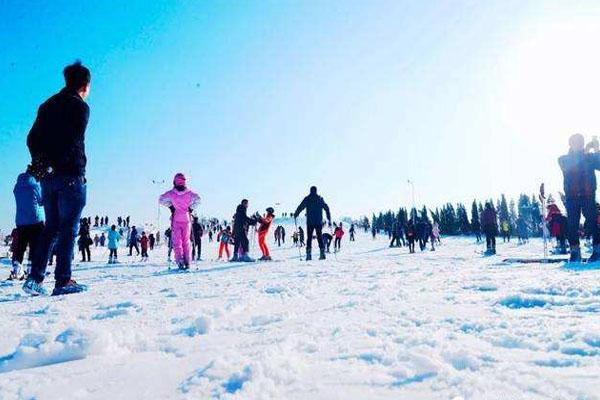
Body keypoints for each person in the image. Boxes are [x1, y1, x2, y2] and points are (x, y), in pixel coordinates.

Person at [23, 61, 91, 296]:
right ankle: (63, 281)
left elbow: (31, 138)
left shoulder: (47, 105)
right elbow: (72, 140)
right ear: (85, 85)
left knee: (50, 228)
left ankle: (34, 279)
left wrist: (43, 164)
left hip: (48, 178)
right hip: (70, 175)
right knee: (68, 228)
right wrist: (60, 164)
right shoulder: (80, 106)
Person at [558, 134, 600, 262]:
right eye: (576, 143)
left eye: (581, 143)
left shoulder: (589, 158)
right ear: (570, 144)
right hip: (572, 197)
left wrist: (597, 149)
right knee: (572, 225)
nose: (579, 145)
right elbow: (571, 164)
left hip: (588, 195)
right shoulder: (564, 159)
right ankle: (575, 252)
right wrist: (587, 151)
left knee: (593, 222)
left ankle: (597, 250)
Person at [8, 168, 45, 280]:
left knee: (21, 246)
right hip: (35, 219)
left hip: (20, 221)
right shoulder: (35, 186)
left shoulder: (16, 187)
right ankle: (31, 271)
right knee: (35, 245)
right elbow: (41, 201)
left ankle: (17, 269)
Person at [159, 173, 200, 269]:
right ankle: (188, 261)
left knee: (177, 241)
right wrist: (190, 208)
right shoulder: (189, 193)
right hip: (186, 219)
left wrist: (171, 206)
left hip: (176, 219)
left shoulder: (171, 193)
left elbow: (160, 199)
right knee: (186, 241)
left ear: (174, 182)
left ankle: (180, 260)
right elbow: (198, 199)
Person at [294, 186, 331, 261]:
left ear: (310, 191)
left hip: (310, 221)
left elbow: (301, 206)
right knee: (319, 237)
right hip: (318, 221)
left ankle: (308, 255)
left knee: (309, 238)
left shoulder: (307, 198)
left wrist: (296, 214)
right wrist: (328, 218)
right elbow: (326, 208)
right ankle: (322, 254)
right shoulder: (320, 199)